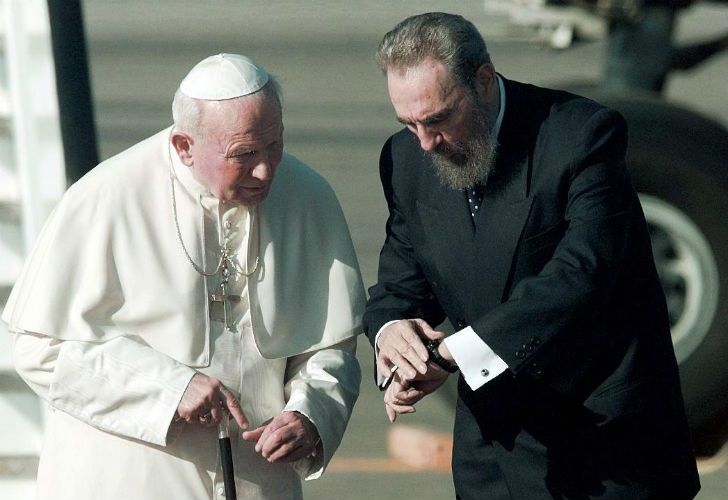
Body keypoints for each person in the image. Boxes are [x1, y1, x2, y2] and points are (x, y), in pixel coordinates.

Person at [364, 12, 700, 499]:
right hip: (493, 452)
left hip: (602, 447)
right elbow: (400, 286)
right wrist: (394, 339)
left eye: (437, 119)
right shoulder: (407, 159)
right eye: (408, 123)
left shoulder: (580, 136)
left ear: (482, 81)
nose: (425, 141)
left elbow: (580, 277)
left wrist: (452, 352)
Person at [3, 53, 365, 500]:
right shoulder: (106, 197)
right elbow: (39, 347)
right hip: (128, 480)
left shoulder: (308, 196)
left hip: (259, 480)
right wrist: (168, 390)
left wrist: (312, 414)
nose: (267, 170)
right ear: (184, 146)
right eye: (244, 154)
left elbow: (331, 348)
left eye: (274, 144)